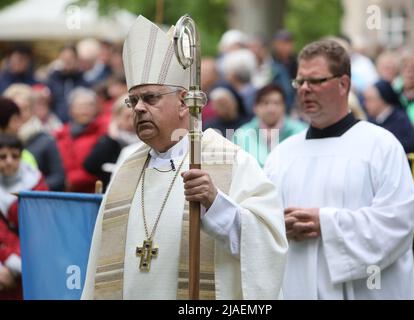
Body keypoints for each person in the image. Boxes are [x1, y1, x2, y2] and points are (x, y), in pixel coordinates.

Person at [81, 16, 287, 300]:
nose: (138, 108)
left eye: (150, 98)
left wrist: (216, 204)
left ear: (183, 102)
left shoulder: (231, 161)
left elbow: (268, 244)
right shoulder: (126, 166)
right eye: (133, 100)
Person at [264, 40, 414, 299]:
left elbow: (398, 222)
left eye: (315, 81)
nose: (304, 89)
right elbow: (262, 224)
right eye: (299, 82)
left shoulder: (381, 146)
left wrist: (325, 222)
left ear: (343, 83)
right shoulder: (281, 155)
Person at [0, 133, 48, 299]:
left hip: (30, 264)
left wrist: (16, 265)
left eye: (14, 156)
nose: (9, 161)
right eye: (2, 156)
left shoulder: (36, 184)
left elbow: (42, 228)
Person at [234, 84, 306, 167]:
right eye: (265, 103)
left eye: (276, 103)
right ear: (255, 107)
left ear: (284, 107)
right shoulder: (241, 135)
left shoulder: (300, 132)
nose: (271, 109)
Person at [54, 87, 106, 192]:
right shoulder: (60, 134)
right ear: (71, 110)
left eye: (89, 106)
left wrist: (72, 180)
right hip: (63, 192)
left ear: (96, 108)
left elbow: (100, 167)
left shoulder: (104, 133)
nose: (84, 110)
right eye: (79, 106)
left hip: (92, 192)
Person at [365, 80, 414, 154]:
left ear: (382, 99)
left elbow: (409, 145)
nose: (365, 104)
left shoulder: (401, 120)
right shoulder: (370, 121)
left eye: (369, 99)